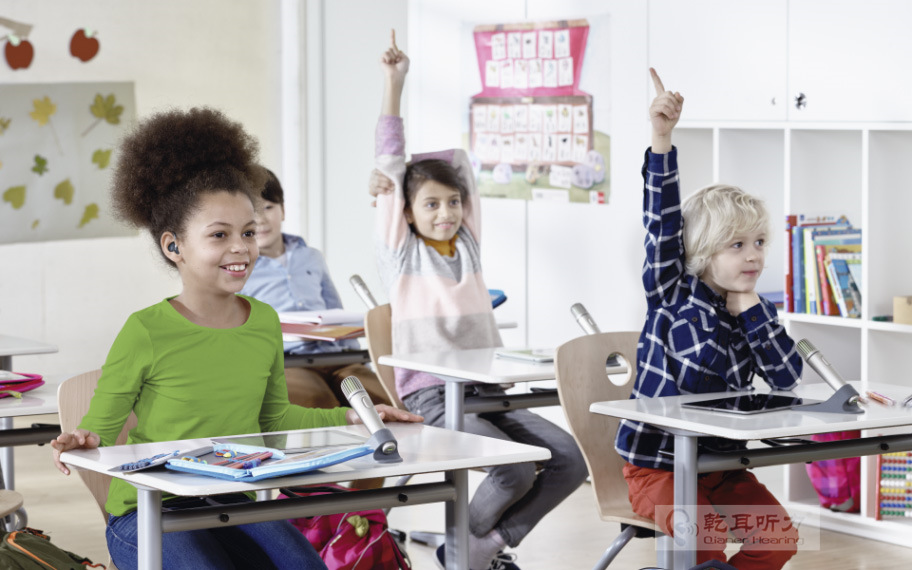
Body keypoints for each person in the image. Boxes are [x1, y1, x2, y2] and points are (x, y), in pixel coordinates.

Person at [50, 107, 421, 570]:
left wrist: (354, 417)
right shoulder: (146, 329)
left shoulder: (263, 320)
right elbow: (100, 429)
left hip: (232, 502)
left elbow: (274, 418)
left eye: (248, 232)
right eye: (219, 235)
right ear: (174, 246)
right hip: (149, 511)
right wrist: (82, 438)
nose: (241, 248)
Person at [371, 31, 587, 570]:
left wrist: (444, 177)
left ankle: (472, 547)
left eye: (452, 202)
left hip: (485, 390)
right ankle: (469, 551)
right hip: (430, 397)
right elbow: (394, 165)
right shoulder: (402, 253)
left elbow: (464, 165)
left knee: (568, 461)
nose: (444, 212)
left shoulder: (467, 242)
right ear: (407, 212)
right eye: (430, 204)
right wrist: (395, 84)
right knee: (512, 470)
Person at [614, 69, 804, 569]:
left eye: (759, 243)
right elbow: (661, 219)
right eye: (737, 245)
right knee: (705, 537)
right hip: (657, 470)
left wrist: (753, 313)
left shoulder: (755, 309)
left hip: (718, 467)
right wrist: (661, 139)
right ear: (702, 251)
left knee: (779, 538)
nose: (753, 256)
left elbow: (787, 376)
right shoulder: (671, 292)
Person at [241, 166, 390, 409]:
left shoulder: (311, 256)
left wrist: (353, 356)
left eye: (268, 207)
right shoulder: (240, 267)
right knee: (321, 405)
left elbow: (335, 310)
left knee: (380, 400)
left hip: (336, 356)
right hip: (288, 362)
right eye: (253, 212)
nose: (261, 219)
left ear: (283, 210)